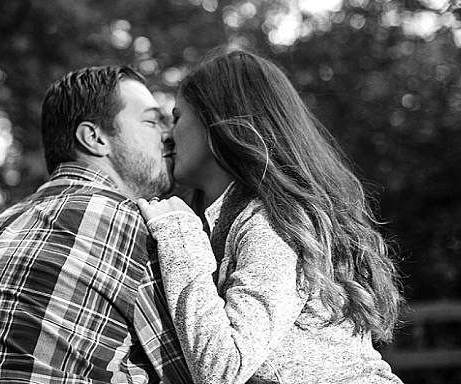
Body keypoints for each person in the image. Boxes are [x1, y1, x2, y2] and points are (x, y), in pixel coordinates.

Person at [137, 49, 404, 383]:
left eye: (177, 117)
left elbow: (222, 368)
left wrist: (178, 235)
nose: (167, 133)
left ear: (215, 122)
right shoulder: (232, 219)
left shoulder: (270, 224)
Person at [0, 65, 193, 384]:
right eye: (152, 121)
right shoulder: (134, 226)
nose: (169, 134)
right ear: (95, 138)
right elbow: (204, 371)